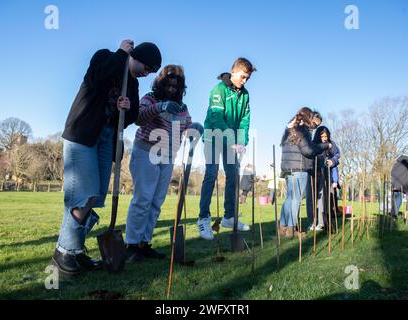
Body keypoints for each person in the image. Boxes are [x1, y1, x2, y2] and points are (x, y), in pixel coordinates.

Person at [52, 40, 162, 277]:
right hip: (83, 133)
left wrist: (129, 106)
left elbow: (131, 116)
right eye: (146, 66)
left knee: (96, 196)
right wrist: (122, 54)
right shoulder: (105, 57)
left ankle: (75, 250)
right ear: (135, 55)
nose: (146, 73)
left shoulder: (131, 83)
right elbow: (96, 78)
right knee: (84, 195)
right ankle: (64, 251)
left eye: (150, 72)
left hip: (107, 138)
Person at [124, 65, 197, 262]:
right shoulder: (150, 98)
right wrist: (160, 107)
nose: (172, 90)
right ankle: (131, 244)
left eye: (176, 87)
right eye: (169, 85)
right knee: (143, 199)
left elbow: (187, 126)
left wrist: (194, 128)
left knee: (156, 202)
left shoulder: (182, 107)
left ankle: (144, 243)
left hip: (168, 156)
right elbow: (138, 118)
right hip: (146, 151)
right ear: (161, 83)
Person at [197, 58, 256, 240]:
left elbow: (244, 121)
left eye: (247, 78)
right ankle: (203, 218)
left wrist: (241, 142)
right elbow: (216, 119)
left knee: (233, 175)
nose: (244, 81)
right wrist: (231, 140)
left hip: (232, 142)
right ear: (233, 72)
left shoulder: (244, 95)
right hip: (214, 137)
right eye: (243, 77)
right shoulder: (218, 90)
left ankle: (229, 217)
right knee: (212, 174)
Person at [279, 108, 330, 239]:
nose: (314, 127)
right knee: (295, 199)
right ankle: (292, 229)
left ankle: (282, 227)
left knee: (289, 198)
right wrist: (324, 147)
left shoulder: (290, 127)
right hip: (299, 168)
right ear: (309, 117)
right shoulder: (302, 130)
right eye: (314, 123)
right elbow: (308, 151)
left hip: (288, 168)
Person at [312, 126, 341, 232]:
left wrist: (333, 160)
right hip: (316, 173)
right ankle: (314, 222)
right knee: (316, 199)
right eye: (322, 136)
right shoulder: (314, 144)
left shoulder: (332, 144)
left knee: (325, 199)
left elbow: (338, 155)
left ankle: (323, 222)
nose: (324, 138)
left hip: (327, 174)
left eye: (326, 136)